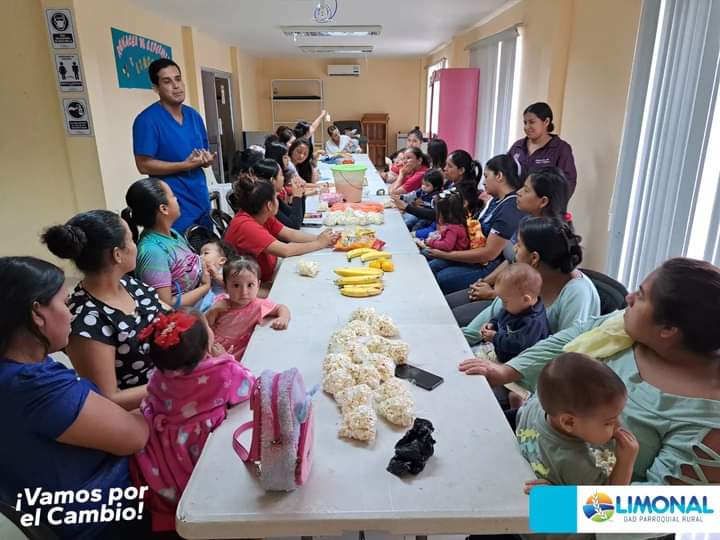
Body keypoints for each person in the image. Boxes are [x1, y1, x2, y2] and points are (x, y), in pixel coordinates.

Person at [466, 257, 720, 485]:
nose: (629, 298)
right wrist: (508, 370)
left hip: (556, 506)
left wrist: (564, 505)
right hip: (530, 442)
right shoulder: (627, 327)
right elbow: (572, 337)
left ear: (668, 329)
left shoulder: (707, 426)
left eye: (641, 296)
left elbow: (658, 510)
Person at [0, 256, 150, 539]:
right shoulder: (36, 386)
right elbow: (136, 436)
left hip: (55, 512)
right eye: (65, 303)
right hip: (105, 519)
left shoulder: (21, 369)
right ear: (37, 313)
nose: (71, 315)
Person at [134, 310, 255, 530]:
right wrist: (226, 358)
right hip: (197, 443)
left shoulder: (160, 374)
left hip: (165, 443)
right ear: (205, 344)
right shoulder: (221, 371)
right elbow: (248, 386)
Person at [43, 210, 164, 410]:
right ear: (117, 254)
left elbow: (167, 315)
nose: (136, 246)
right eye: (131, 240)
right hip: (143, 413)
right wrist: (175, 384)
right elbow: (109, 398)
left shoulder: (130, 285)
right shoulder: (86, 320)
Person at [447, 166, 572, 322]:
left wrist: (494, 293)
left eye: (526, 190)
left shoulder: (551, 236)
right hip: (504, 287)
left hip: (517, 303)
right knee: (446, 304)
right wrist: (484, 282)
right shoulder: (526, 221)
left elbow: (537, 290)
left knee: (452, 318)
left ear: (543, 201)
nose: (518, 192)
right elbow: (512, 260)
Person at [460, 217, 600, 345]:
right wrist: (459, 340)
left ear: (534, 258)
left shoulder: (577, 294)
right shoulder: (527, 277)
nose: (514, 248)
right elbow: (483, 322)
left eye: (519, 245)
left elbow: (566, 349)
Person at [516, 353, 639, 490]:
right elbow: (607, 500)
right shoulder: (578, 464)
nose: (618, 426)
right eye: (608, 422)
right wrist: (625, 463)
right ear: (569, 422)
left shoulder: (535, 405)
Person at [132, 58, 215, 233]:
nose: (176, 86)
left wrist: (206, 160)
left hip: (200, 199)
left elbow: (202, 154)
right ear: (156, 88)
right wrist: (183, 166)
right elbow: (143, 165)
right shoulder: (147, 120)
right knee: (182, 250)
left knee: (208, 247)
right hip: (173, 207)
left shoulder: (194, 116)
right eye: (167, 81)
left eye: (178, 79)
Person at [427, 154, 525, 294]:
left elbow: (489, 254)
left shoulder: (509, 208)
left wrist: (445, 254)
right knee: (430, 264)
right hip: (472, 252)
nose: (483, 182)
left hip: (486, 264)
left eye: (486, 176)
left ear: (499, 176)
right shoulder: (494, 200)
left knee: (440, 278)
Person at [224, 178, 337, 287]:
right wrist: (319, 243)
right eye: (276, 197)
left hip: (269, 272)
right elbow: (285, 250)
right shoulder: (246, 226)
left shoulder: (262, 215)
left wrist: (321, 238)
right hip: (249, 286)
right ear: (269, 205)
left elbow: (290, 234)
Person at [122, 178, 212, 309]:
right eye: (173, 196)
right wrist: (205, 287)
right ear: (164, 209)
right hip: (192, 313)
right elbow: (165, 304)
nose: (177, 199)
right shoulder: (153, 251)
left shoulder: (171, 233)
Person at [207, 257, 291, 361]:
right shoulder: (221, 301)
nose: (244, 291)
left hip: (235, 351)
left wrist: (283, 318)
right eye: (236, 285)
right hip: (212, 345)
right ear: (226, 287)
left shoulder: (258, 305)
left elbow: (281, 307)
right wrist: (213, 310)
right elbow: (206, 325)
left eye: (250, 285)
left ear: (258, 285)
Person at [477, 263, 549, 364]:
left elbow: (519, 345)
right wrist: (492, 324)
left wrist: (495, 338)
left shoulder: (533, 323)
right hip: (499, 352)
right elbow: (501, 316)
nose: (503, 304)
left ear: (525, 299)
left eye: (505, 301)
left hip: (513, 365)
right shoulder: (514, 307)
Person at [508, 102, 577, 196]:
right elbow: (504, 173)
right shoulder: (517, 146)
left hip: (543, 204)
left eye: (532, 122)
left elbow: (567, 184)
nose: (526, 127)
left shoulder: (561, 149)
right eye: (525, 123)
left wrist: (549, 203)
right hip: (515, 202)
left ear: (546, 122)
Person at [393, 150, 482, 222]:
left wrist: (407, 207)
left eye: (449, 166)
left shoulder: (462, 191)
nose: (445, 168)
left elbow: (437, 214)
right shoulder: (450, 183)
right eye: (446, 165)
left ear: (461, 170)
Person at [254, 158, 305, 229]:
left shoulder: (273, 197)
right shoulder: (265, 203)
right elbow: (294, 226)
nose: (283, 178)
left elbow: (297, 217)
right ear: (272, 180)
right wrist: (297, 197)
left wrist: (300, 193)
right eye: (281, 175)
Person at [197, 239, 237, 313]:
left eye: (206, 253)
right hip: (207, 302)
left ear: (222, 260)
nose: (200, 257)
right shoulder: (201, 269)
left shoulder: (225, 271)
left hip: (222, 302)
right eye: (200, 254)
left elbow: (233, 285)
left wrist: (217, 276)